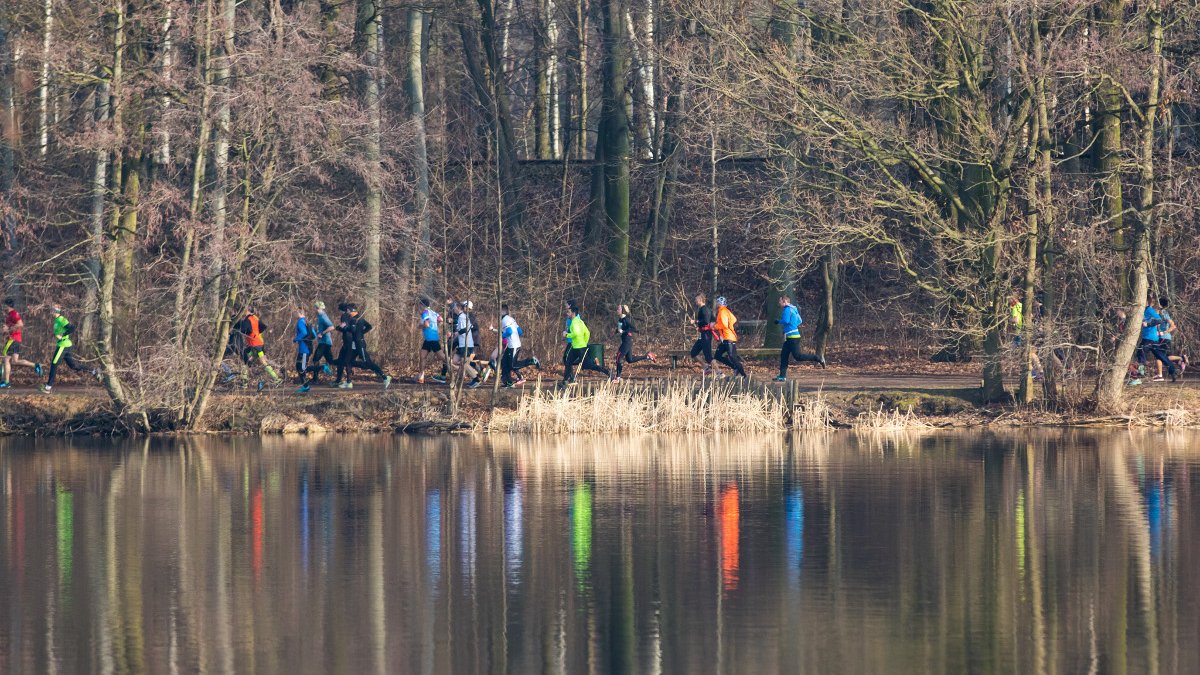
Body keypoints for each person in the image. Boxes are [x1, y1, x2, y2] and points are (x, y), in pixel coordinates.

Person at [334, 304, 391, 390]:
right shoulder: (360, 318)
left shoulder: (354, 320)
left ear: (350, 310)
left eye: (348, 311)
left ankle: (385, 377)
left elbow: (352, 330)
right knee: (348, 361)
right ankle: (348, 383)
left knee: (367, 363)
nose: (347, 312)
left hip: (359, 345)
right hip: (354, 344)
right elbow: (369, 326)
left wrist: (343, 327)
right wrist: (361, 333)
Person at [42, 305, 95, 392]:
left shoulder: (61, 319)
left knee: (54, 364)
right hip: (66, 345)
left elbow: (72, 328)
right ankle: (93, 371)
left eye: (52, 310)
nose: (51, 312)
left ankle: (48, 387)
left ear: (55, 311)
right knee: (73, 365)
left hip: (63, 345)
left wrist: (63, 335)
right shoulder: (56, 320)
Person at [775, 295, 825, 382]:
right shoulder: (793, 308)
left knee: (798, 357)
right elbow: (800, 321)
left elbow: (786, 321)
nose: (779, 303)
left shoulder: (787, 309)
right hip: (790, 337)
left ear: (784, 301)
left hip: (793, 338)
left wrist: (778, 321)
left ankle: (818, 358)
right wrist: (792, 326)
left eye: (780, 301)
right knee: (784, 356)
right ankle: (782, 376)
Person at [235, 306, 284, 391]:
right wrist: (256, 333)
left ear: (247, 311)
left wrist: (240, 329)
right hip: (258, 343)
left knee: (261, 361)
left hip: (255, 345)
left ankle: (277, 379)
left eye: (244, 310)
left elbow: (244, 329)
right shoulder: (255, 317)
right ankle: (244, 382)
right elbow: (263, 326)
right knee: (247, 360)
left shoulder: (247, 320)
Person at [0, 298, 43, 388]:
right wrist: (5, 330)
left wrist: (9, 328)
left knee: (6, 359)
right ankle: (35, 365)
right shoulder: (9, 315)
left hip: (13, 339)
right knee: (15, 361)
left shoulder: (14, 313)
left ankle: (6, 382)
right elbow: (10, 327)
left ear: (8, 305)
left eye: (4, 305)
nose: (3, 307)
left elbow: (20, 324)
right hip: (15, 339)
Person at [562, 304, 609, 383]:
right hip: (576, 347)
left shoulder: (574, 323)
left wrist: (566, 334)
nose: (567, 314)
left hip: (580, 348)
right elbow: (587, 333)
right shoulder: (580, 322)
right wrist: (585, 343)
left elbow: (575, 333)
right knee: (568, 362)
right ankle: (566, 380)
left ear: (573, 313)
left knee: (587, 365)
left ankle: (606, 372)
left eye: (569, 312)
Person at [297, 301, 336, 392]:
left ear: (319, 308)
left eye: (316, 308)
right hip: (324, 342)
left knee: (315, 359)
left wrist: (322, 333)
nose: (315, 309)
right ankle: (340, 370)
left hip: (325, 342)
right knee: (331, 360)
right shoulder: (319, 316)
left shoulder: (323, 316)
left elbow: (332, 327)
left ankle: (316, 377)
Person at [498, 303, 540, 387]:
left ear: (502, 311)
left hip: (513, 346)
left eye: (499, 311)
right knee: (504, 362)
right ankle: (508, 382)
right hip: (513, 344)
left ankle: (531, 361)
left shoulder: (504, 320)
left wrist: (501, 335)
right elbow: (520, 331)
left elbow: (509, 332)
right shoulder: (511, 319)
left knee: (512, 365)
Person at [1138, 296, 1176, 382]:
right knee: (1161, 356)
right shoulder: (1146, 310)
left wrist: (1147, 324)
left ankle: (1140, 375)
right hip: (1154, 338)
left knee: (1141, 352)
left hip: (1150, 337)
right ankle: (1173, 370)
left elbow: (1159, 320)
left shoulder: (1150, 310)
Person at [613, 305, 655, 381]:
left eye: (618, 309)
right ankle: (648, 357)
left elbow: (633, 328)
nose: (617, 310)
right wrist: (617, 331)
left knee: (618, 357)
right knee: (630, 359)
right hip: (626, 341)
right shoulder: (620, 319)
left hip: (627, 342)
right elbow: (622, 328)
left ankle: (618, 377)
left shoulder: (626, 320)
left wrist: (624, 331)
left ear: (622, 310)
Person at [713, 297, 748, 378]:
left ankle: (743, 374)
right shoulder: (726, 311)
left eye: (718, 302)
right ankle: (735, 367)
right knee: (717, 355)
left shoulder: (722, 312)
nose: (717, 304)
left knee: (732, 356)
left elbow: (724, 325)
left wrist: (715, 326)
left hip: (728, 337)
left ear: (719, 303)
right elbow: (734, 319)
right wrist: (729, 324)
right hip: (726, 338)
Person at [452, 302, 480, 388]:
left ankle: (476, 379)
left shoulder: (462, 317)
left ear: (458, 308)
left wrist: (457, 333)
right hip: (462, 344)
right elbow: (470, 327)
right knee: (454, 361)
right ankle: (474, 367)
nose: (453, 309)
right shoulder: (463, 317)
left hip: (466, 344)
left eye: (454, 307)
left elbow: (465, 329)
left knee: (464, 364)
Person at [1157, 297, 1188, 376]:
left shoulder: (1163, 314)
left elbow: (1173, 325)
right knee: (1165, 357)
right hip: (1163, 338)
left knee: (1160, 357)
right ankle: (1181, 358)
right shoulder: (1159, 313)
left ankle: (1160, 375)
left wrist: (1164, 332)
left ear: (1159, 304)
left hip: (1163, 338)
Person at [417, 297, 444, 384]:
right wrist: (437, 327)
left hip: (432, 339)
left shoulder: (425, 312)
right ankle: (421, 377)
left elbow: (427, 324)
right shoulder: (433, 312)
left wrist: (420, 326)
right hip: (428, 339)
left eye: (419, 305)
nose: (418, 307)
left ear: (422, 305)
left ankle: (458, 367)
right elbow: (441, 319)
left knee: (442, 357)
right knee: (422, 356)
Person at [690, 293, 717, 375]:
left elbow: (706, 321)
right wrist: (700, 328)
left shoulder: (704, 309)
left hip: (706, 335)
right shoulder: (706, 309)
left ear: (700, 300)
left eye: (696, 299)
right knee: (693, 352)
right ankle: (706, 367)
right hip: (703, 334)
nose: (695, 301)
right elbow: (712, 320)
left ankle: (719, 372)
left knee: (708, 357)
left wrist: (695, 321)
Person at [293, 308, 313, 385]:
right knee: (298, 366)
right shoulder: (307, 321)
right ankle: (304, 384)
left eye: (296, 312)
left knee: (302, 368)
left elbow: (304, 333)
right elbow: (314, 335)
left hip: (305, 348)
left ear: (299, 313)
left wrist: (296, 339)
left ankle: (322, 367)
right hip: (306, 347)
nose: (295, 314)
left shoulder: (300, 322)